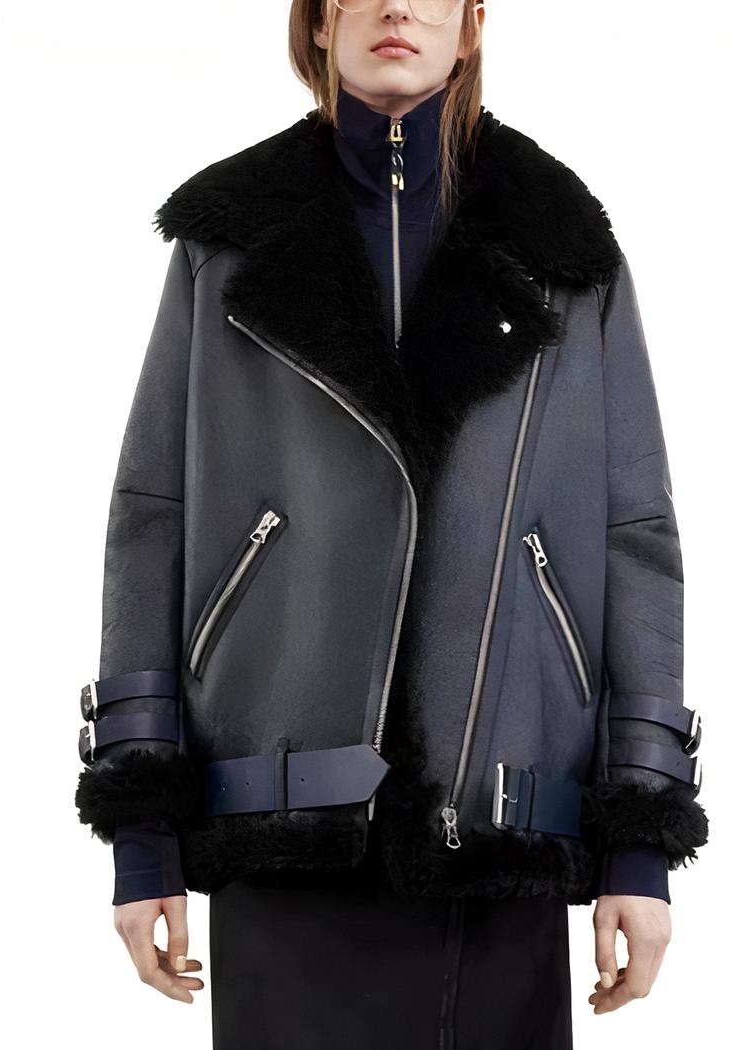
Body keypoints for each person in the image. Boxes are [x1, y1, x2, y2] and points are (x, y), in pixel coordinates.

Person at [75, 2, 709, 1047]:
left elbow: (634, 536)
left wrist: (640, 840)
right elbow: (153, 520)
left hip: (498, 835)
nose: (397, 7)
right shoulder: (226, 244)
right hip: (282, 822)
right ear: (322, 21)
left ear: (472, 21)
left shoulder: (563, 247)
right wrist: (141, 831)